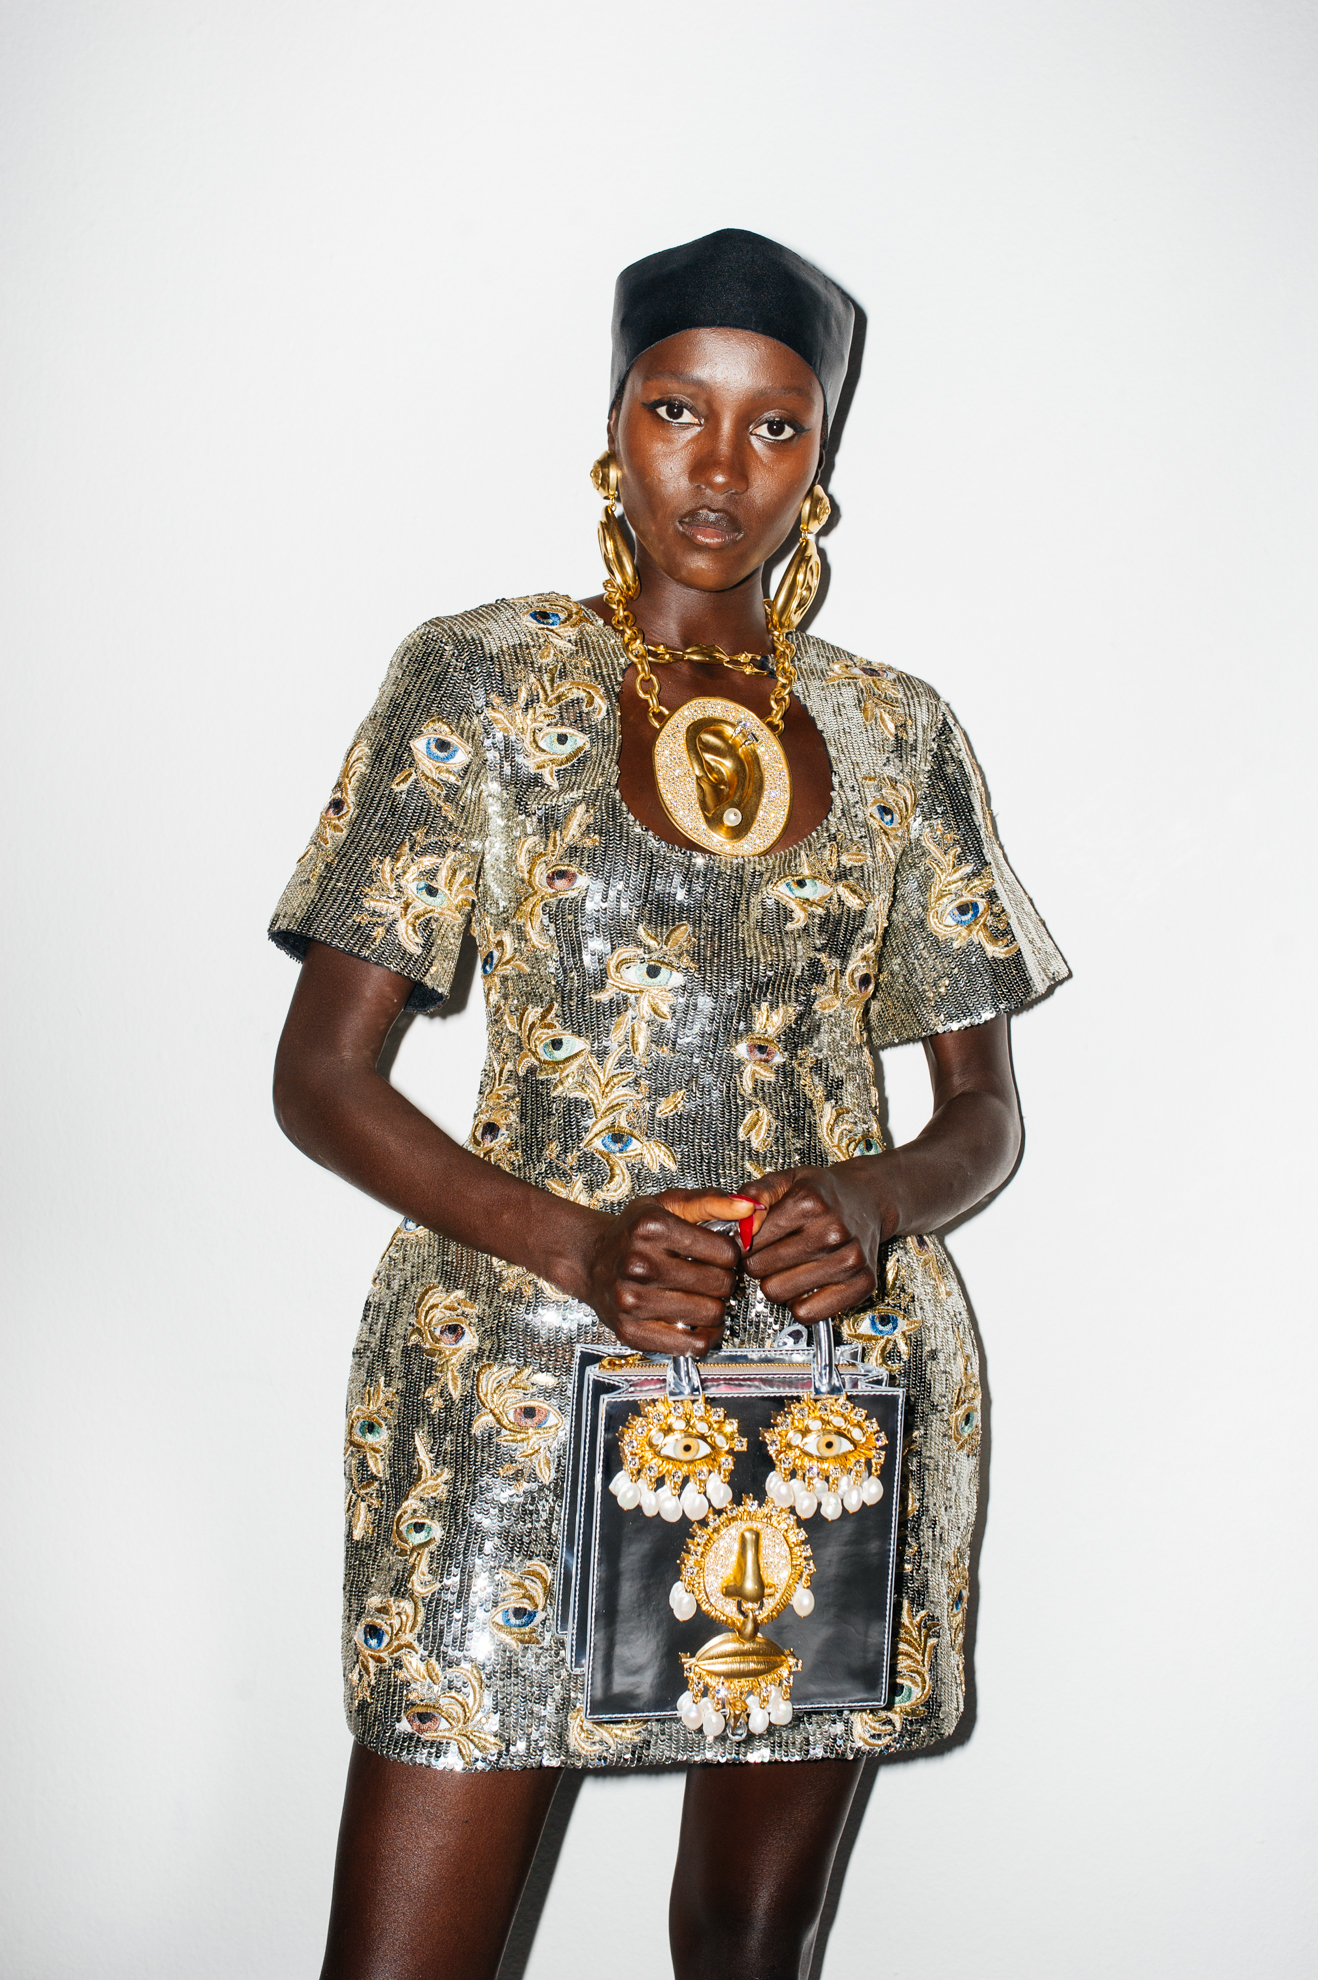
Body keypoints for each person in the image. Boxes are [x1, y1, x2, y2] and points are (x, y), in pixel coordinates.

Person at [271, 227, 1068, 1980]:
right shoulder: (480, 679)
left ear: (821, 457)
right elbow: (320, 1078)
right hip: (512, 1371)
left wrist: (872, 1202)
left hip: (827, 1384)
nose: (718, 470)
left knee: (745, 1939)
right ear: (612, 426)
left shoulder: (896, 731)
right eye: (674, 410)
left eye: (774, 427)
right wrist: (578, 1244)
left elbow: (980, 1115)